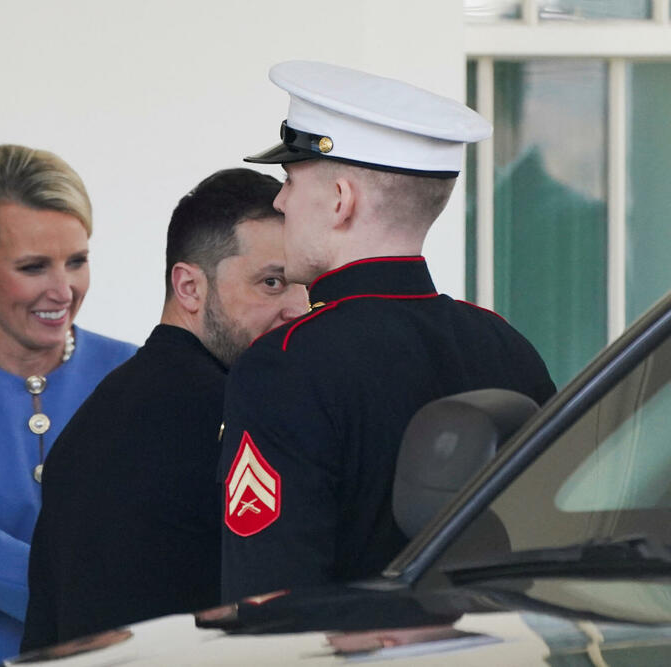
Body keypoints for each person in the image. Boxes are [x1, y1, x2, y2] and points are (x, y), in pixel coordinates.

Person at [219, 61, 557, 601]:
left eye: (290, 180)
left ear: (340, 200)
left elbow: (270, 599)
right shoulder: (508, 346)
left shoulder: (285, 363)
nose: (280, 202)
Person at [20, 168, 308, 652]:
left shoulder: (97, 415)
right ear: (190, 287)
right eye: (272, 282)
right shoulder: (238, 417)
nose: (298, 306)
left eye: (304, 282)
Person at [0, 144, 137, 667]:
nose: (63, 290)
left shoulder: (136, 374)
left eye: (77, 261)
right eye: (34, 267)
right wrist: (115, 606)